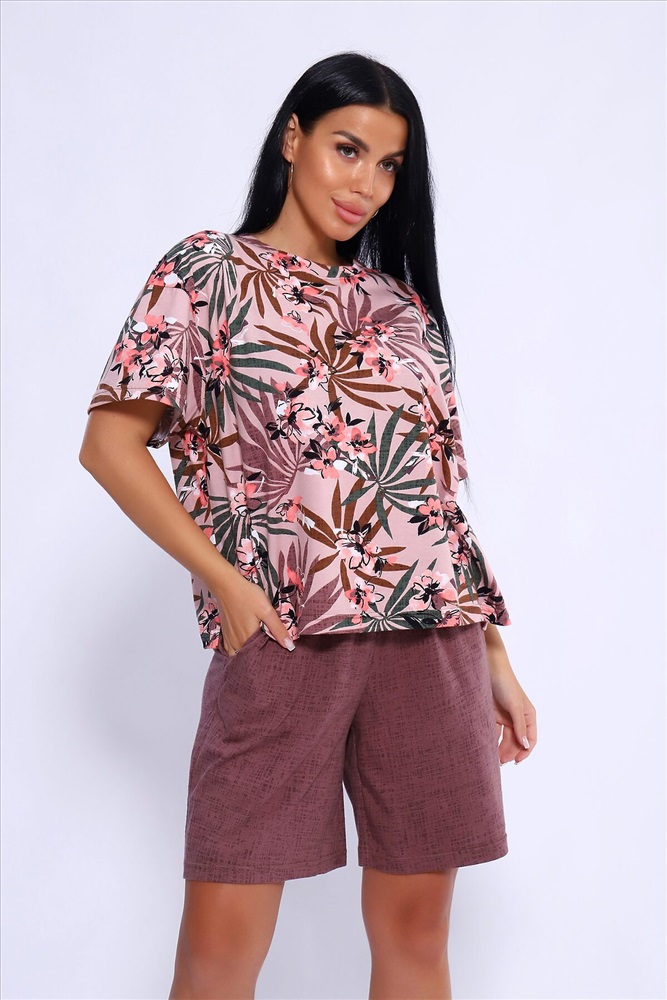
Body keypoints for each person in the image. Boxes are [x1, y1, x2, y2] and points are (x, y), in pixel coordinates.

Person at [79, 51, 537, 1000]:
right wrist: (226, 583)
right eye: (346, 149)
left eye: (389, 165)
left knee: (416, 934)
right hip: (285, 631)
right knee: (220, 946)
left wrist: (492, 653)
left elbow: (431, 492)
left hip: (433, 638)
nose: (365, 183)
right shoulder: (206, 271)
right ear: (293, 138)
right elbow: (110, 446)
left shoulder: (400, 306)